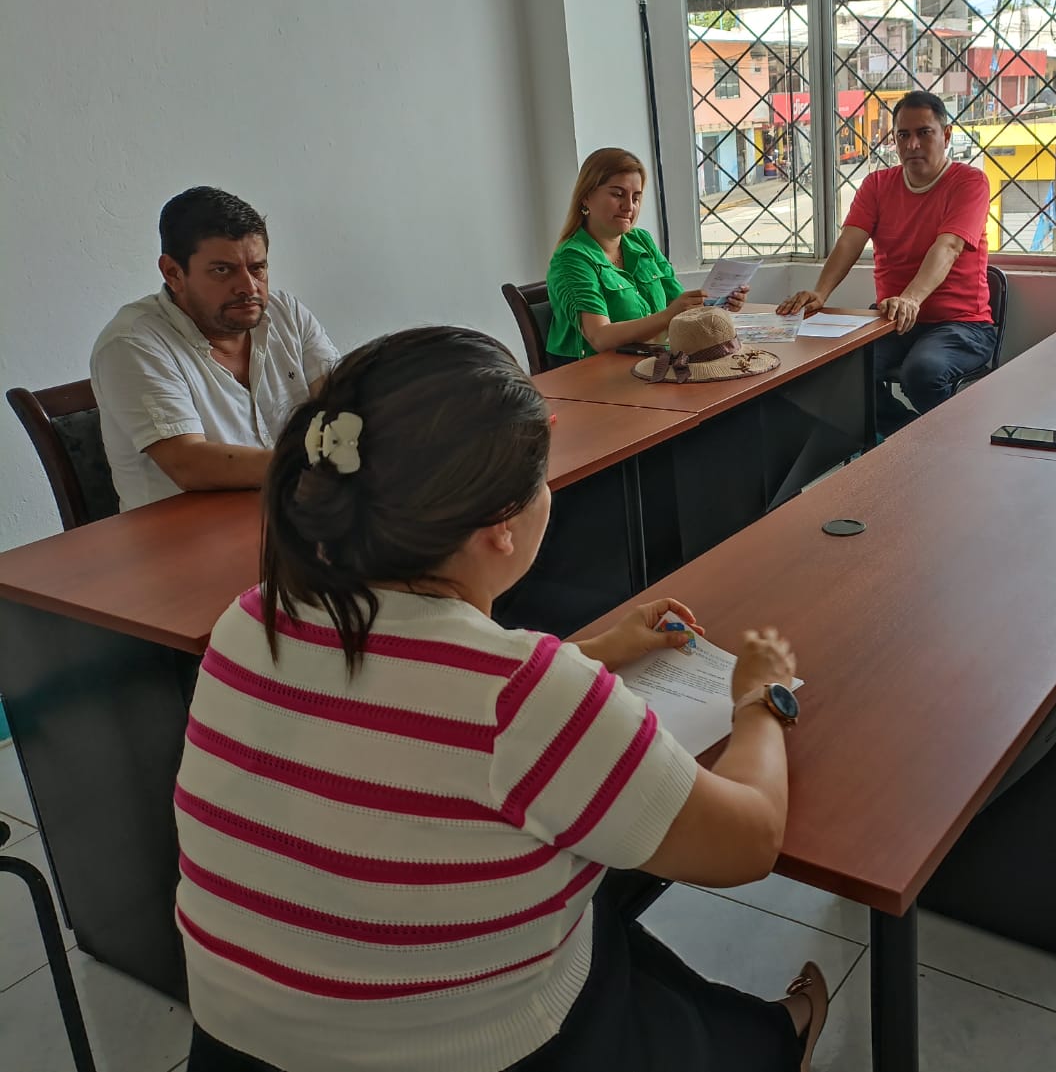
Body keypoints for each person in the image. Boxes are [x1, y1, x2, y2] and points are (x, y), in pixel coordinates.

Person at [175, 326, 826, 1072]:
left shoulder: (250, 618)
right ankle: (774, 1042)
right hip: (472, 1059)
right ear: (501, 527)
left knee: (589, 895)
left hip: (234, 1049)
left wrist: (597, 650)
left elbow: (415, 701)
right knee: (610, 907)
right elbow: (750, 841)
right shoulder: (524, 694)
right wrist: (759, 699)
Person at [90, 186, 338, 511]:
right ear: (173, 273)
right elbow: (188, 462)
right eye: (223, 270)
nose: (248, 287)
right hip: (182, 534)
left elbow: (342, 403)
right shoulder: (132, 343)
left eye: (258, 268)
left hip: (291, 512)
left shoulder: (285, 313)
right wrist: (324, 464)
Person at [778, 91, 996, 433]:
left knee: (921, 372)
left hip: (960, 325)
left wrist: (911, 299)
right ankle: (906, 438)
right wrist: (821, 293)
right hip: (890, 321)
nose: (912, 144)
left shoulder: (969, 182)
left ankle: (952, 444)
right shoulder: (877, 185)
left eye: (924, 133)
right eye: (903, 135)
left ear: (946, 135)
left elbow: (948, 247)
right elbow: (850, 241)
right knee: (835, 370)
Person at [545, 148, 746, 363]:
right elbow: (600, 337)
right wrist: (667, 315)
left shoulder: (641, 240)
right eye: (617, 194)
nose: (628, 207)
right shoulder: (571, 258)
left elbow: (679, 306)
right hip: (593, 372)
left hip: (651, 361)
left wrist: (717, 304)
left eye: (636, 197)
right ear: (586, 196)